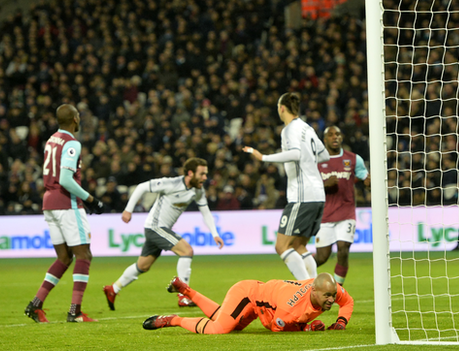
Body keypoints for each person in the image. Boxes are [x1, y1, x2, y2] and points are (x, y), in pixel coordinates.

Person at [103, 157, 225, 310]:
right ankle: (183, 295)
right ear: (190, 173)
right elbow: (141, 187)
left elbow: (205, 212)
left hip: (160, 229)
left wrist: (215, 233)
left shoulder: (198, 190)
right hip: (155, 227)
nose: (205, 178)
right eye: (202, 174)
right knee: (187, 251)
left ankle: (113, 289)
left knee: (143, 265)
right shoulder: (171, 183)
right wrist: (128, 209)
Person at [25, 104, 104, 323]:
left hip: (49, 203)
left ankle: (36, 304)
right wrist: (91, 200)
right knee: (84, 255)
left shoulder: (51, 140)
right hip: (67, 204)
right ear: (75, 119)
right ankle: (75, 311)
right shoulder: (72, 143)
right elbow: (66, 179)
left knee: (64, 257)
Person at [243, 92, 330, 280]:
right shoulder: (308, 129)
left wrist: (263, 157)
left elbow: (296, 154)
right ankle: (314, 288)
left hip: (302, 196)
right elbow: (324, 156)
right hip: (317, 195)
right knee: (299, 246)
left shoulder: (289, 129)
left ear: (282, 108)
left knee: (281, 246)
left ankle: (306, 290)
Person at [142, 272, 353, 333]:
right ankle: (173, 320)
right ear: (314, 291)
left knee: (226, 322)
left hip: (262, 301)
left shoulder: (331, 288)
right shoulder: (291, 306)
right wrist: (305, 328)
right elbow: (275, 327)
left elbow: (348, 302)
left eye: (333, 295)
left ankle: (186, 290)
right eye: (327, 297)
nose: (332, 300)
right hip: (248, 294)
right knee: (219, 329)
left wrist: (341, 322)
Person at [314, 126, 370, 285]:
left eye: (337, 134)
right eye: (330, 135)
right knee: (322, 257)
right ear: (324, 140)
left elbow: (364, 178)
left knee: (343, 248)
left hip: (346, 213)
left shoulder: (353, 159)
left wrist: (368, 182)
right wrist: (325, 184)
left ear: (341, 138)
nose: (335, 137)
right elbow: (307, 186)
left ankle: (337, 290)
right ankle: (301, 270)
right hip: (324, 215)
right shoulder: (316, 161)